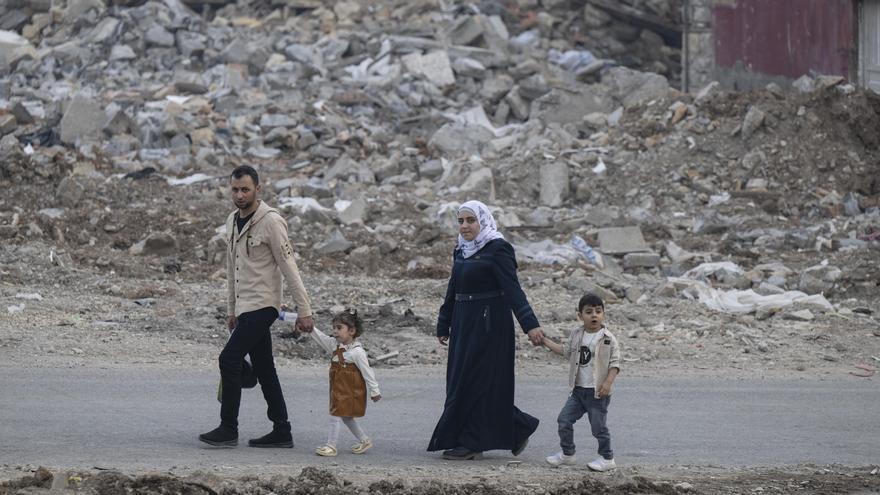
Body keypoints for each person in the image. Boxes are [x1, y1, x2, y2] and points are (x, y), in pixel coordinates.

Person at [199, 165, 315, 448]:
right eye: (235, 190)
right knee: (264, 369)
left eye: (245, 190)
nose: (239, 195)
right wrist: (231, 310)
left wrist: (305, 310)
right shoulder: (231, 220)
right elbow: (232, 270)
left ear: (257, 189)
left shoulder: (271, 222)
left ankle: (228, 428)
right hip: (244, 307)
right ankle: (282, 430)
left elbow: (289, 267)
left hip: (264, 305)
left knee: (229, 359)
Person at [427, 200, 545, 460]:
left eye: (471, 220)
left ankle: (472, 443)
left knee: (479, 383)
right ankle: (516, 428)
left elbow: (513, 289)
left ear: (483, 221)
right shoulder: (461, 249)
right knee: (461, 382)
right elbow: (453, 287)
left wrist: (530, 325)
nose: (465, 226)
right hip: (463, 324)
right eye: (461, 221)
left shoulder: (498, 248)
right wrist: (443, 322)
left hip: (491, 327)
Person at [541, 293, 621, 471]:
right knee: (564, 420)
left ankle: (608, 459)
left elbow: (615, 364)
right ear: (580, 315)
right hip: (578, 391)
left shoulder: (608, 338)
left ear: (603, 314)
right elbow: (565, 351)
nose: (594, 315)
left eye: (598, 311)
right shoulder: (577, 334)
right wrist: (545, 341)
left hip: (597, 392)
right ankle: (568, 454)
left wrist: (607, 383)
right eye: (589, 312)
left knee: (598, 428)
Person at [309, 308, 381, 457]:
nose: (335, 331)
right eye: (334, 328)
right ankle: (364, 440)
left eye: (339, 328)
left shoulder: (357, 352)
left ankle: (331, 445)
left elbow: (368, 372)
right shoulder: (335, 346)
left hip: (349, 389)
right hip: (338, 387)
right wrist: (310, 329)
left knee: (335, 414)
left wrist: (375, 390)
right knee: (346, 416)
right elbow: (321, 338)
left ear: (352, 331)